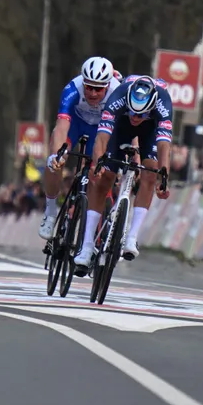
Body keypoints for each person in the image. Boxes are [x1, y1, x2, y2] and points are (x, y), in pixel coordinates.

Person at [74, 75, 173, 273]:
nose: (136, 118)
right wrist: (98, 164)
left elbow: (164, 147)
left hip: (150, 130)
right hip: (120, 126)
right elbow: (101, 139)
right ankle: (86, 247)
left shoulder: (163, 102)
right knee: (104, 179)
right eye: (133, 113)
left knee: (151, 175)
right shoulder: (118, 97)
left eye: (141, 115)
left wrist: (164, 179)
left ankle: (132, 238)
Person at [38, 56, 119, 240]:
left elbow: (120, 130)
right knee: (55, 160)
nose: (92, 93)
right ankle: (50, 212)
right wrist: (57, 155)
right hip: (76, 124)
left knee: (97, 173)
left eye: (98, 89)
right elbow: (61, 125)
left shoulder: (117, 92)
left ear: (107, 85)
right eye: (88, 87)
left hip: (102, 130)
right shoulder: (72, 89)